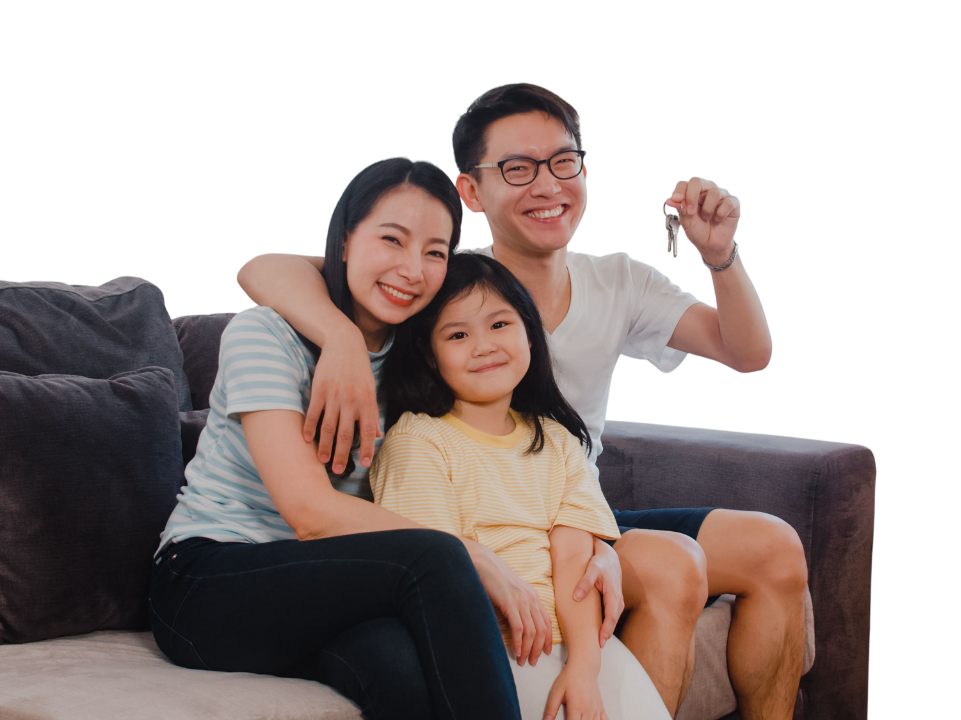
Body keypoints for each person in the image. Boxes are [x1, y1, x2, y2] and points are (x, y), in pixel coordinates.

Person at [236, 83, 809, 720]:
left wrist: (718, 254)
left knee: (774, 547)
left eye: (564, 162)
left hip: (569, 503)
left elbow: (748, 352)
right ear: (471, 193)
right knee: (674, 565)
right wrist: (339, 337)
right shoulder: (440, 283)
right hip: (484, 519)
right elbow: (266, 268)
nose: (547, 185)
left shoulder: (619, 279)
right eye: (517, 168)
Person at [149, 156, 524, 720]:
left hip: (331, 581)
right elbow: (309, 513)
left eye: (435, 252)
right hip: (207, 579)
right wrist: (474, 556)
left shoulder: (418, 354)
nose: (412, 269)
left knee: (398, 669)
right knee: (436, 556)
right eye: (392, 240)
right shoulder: (264, 333)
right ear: (345, 241)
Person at [370, 252, 671, 720]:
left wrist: (584, 668)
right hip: (492, 652)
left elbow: (574, 558)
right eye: (457, 334)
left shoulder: (556, 438)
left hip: (575, 644)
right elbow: (434, 571)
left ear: (530, 332)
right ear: (430, 356)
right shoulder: (418, 441)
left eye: (499, 325)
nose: (483, 346)